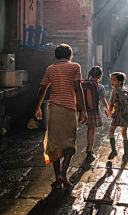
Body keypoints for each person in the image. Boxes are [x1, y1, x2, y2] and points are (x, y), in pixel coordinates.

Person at [34, 43, 87, 189]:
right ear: (70, 56)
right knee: (70, 142)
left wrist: (37, 107)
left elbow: (42, 89)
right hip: (70, 109)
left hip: (54, 109)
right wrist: (83, 110)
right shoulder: (75, 67)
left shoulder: (50, 69)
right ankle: (63, 173)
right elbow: (78, 89)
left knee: (54, 144)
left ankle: (58, 181)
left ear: (56, 57)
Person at [85, 66, 109, 163]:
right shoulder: (100, 87)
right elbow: (104, 101)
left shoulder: (84, 84)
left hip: (85, 110)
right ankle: (90, 151)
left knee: (88, 128)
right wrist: (108, 110)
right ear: (100, 76)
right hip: (94, 110)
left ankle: (89, 146)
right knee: (92, 131)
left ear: (89, 75)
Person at [107, 72, 128, 163]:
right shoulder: (125, 90)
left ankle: (114, 150)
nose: (112, 82)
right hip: (126, 115)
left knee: (111, 131)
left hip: (118, 114)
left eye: (114, 80)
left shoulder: (115, 91)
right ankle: (126, 153)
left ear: (120, 82)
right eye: (111, 80)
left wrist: (109, 112)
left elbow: (111, 103)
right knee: (124, 134)